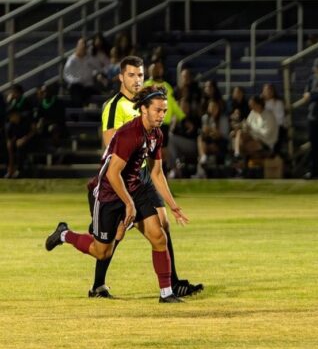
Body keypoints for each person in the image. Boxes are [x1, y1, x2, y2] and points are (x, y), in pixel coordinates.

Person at [44, 86, 189, 303]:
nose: (162, 115)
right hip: (108, 193)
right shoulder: (129, 134)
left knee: (159, 236)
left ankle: (166, 293)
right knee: (101, 251)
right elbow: (112, 174)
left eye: (164, 111)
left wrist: (173, 205)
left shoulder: (156, 134)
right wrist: (128, 204)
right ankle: (65, 234)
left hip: (133, 189)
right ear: (144, 110)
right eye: (158, 110)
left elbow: (157, 173)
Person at [92, 56, 203, 299]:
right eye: (131, 75)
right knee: (112, 238)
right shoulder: (115, 106)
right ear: (121, 77)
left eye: (140, 75)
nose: (136, 80)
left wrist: (174, 205)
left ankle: (170, 284)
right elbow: (111, 147)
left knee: (162, 225)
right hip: (121, 175)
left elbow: (156, 168)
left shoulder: (151, 105)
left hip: (142, 173)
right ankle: (98, 283)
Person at [233, 95, 278, 166]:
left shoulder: (269, 116)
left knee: (245, 146)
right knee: (239, 134)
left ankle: (240, 167)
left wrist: (251, 129)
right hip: (253, 138)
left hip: (266, 142)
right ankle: (237, 154)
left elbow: (266, 134)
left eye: (252, 105)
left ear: (259, 105)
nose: (250, 107)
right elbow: (247, 126)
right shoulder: (252, 113)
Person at [4, 85, 35, 179]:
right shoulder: (10, 125)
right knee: (9, 147)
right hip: (18, 138)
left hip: (30, 138)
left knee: (20, 146)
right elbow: (10, 138)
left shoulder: (26, 116)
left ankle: (20, 170)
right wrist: (10, 142)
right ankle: (10, 169)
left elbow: (34, 130)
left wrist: (24, 139)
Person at [63, 37, 101, 106]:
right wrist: (77, 80)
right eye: (81, 46)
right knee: (77, 94)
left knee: (97, 93)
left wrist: (96, 74)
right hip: (76, 85)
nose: (82, 48)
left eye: (84, 47)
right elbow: (66, 75)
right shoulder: (72, 60)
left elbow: (98, 68)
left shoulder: (89, 59)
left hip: (88, 86)